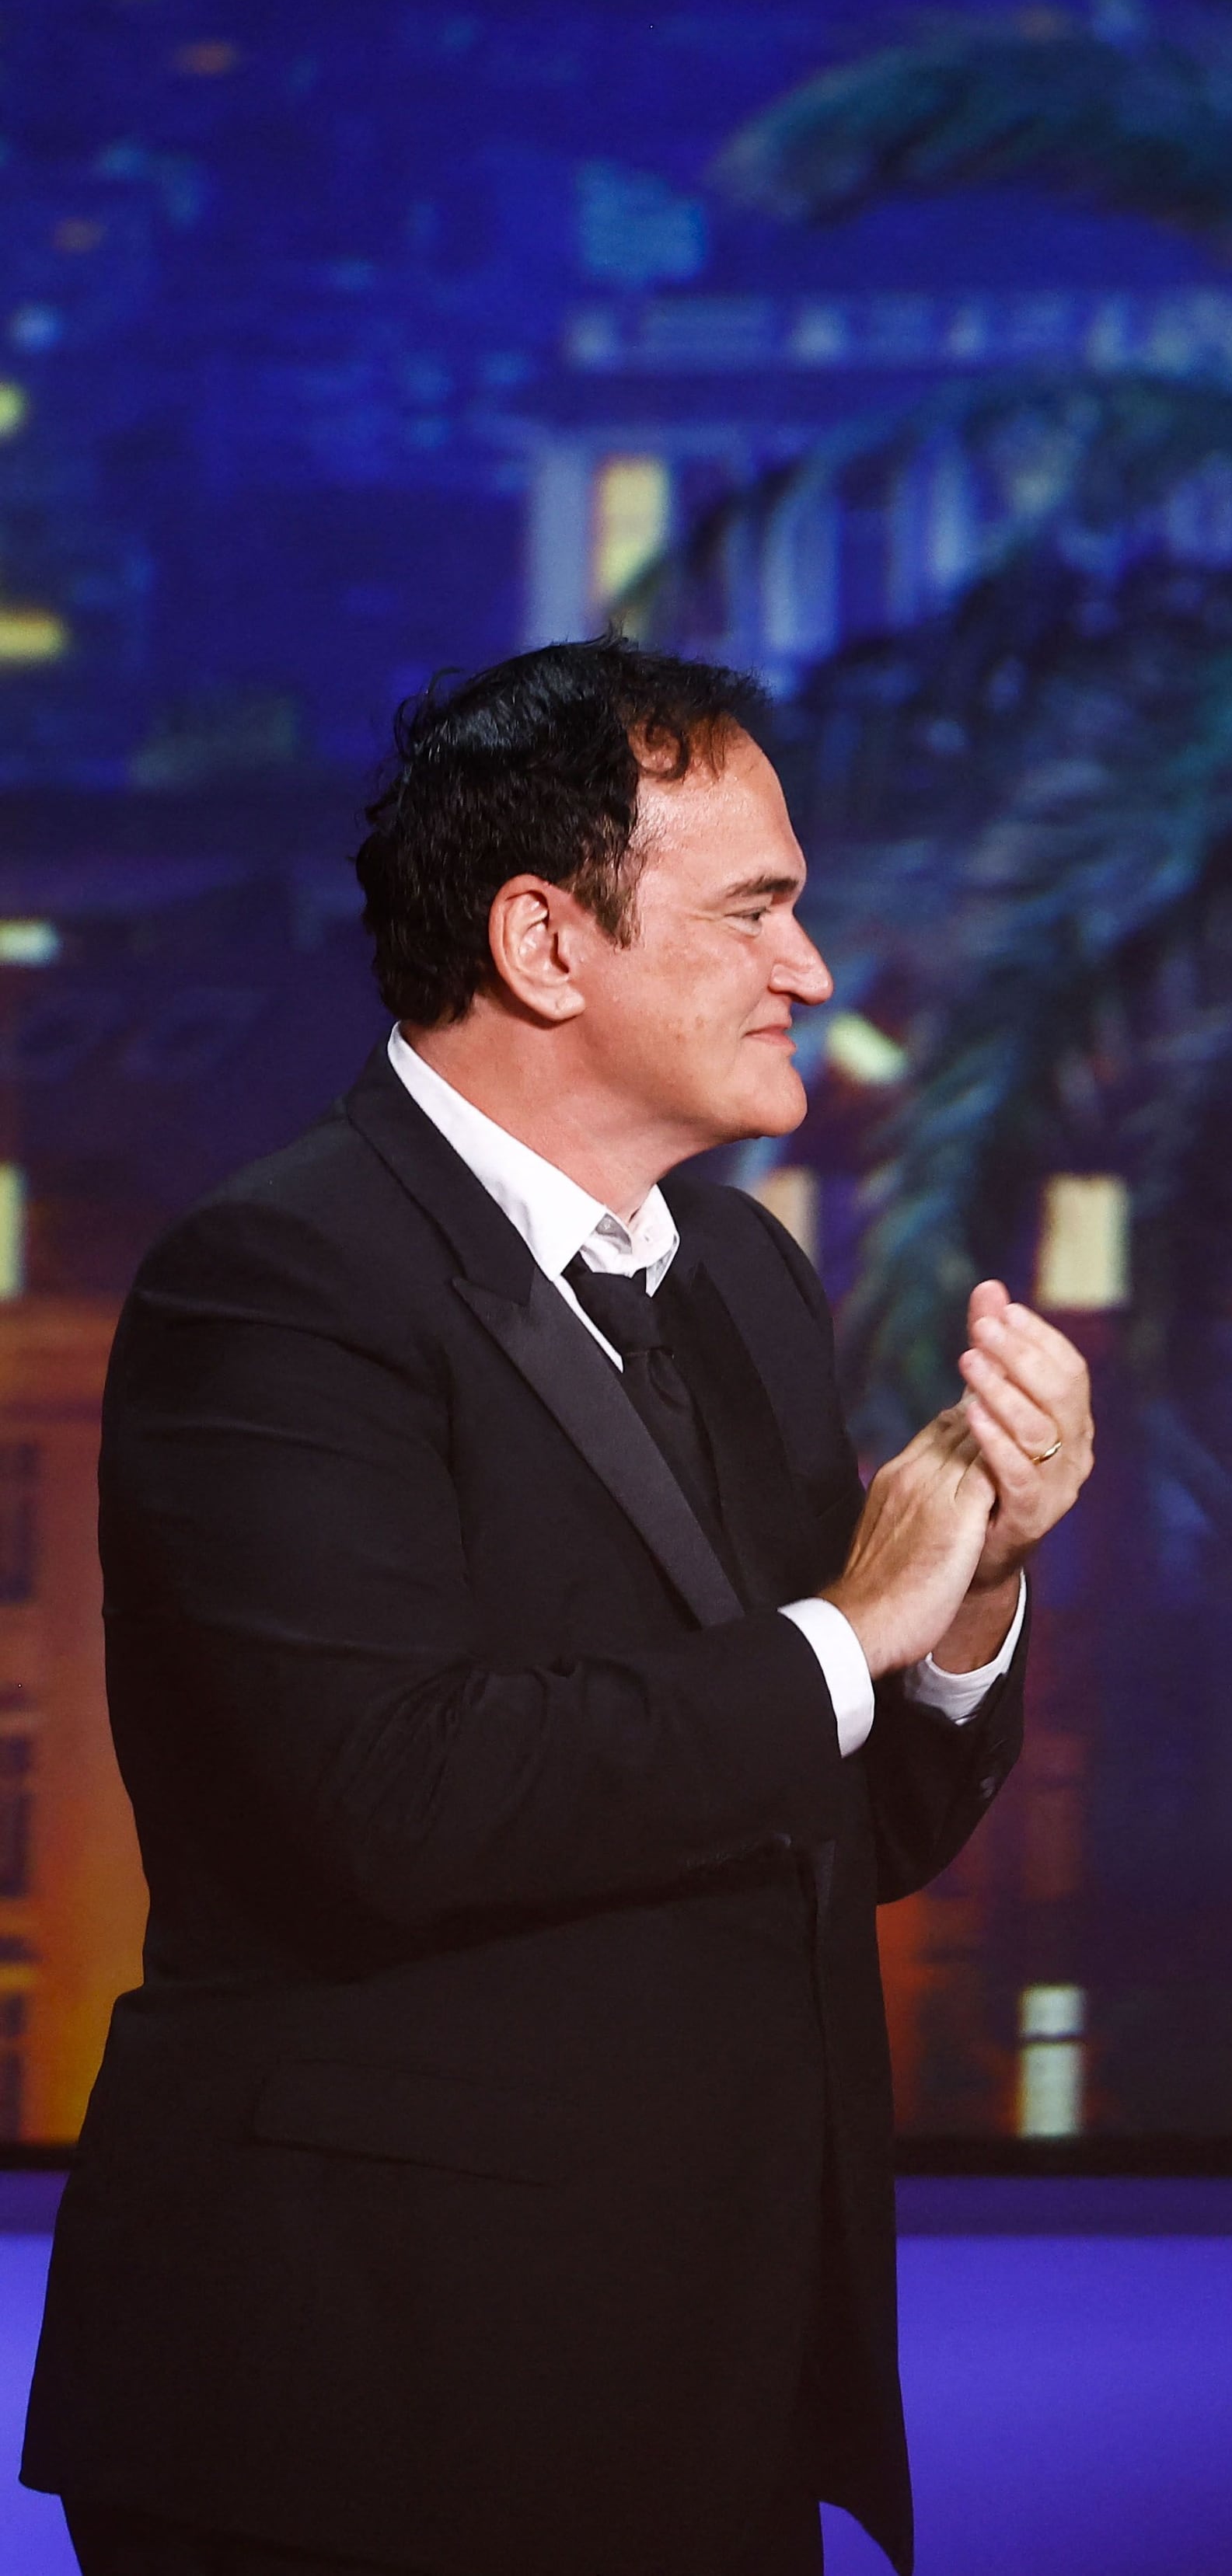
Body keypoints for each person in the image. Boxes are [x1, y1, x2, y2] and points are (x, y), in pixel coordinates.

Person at [20, 638, 1098, 2576]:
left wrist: (971, 1590)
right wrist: (851, 1627)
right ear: (543, 942)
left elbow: (829, 1824)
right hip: (357, 2400)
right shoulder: (277, 1279)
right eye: (759, 910)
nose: (814, 973)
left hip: (704, 2386)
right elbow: (397, 1802)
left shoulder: (753, 1285)